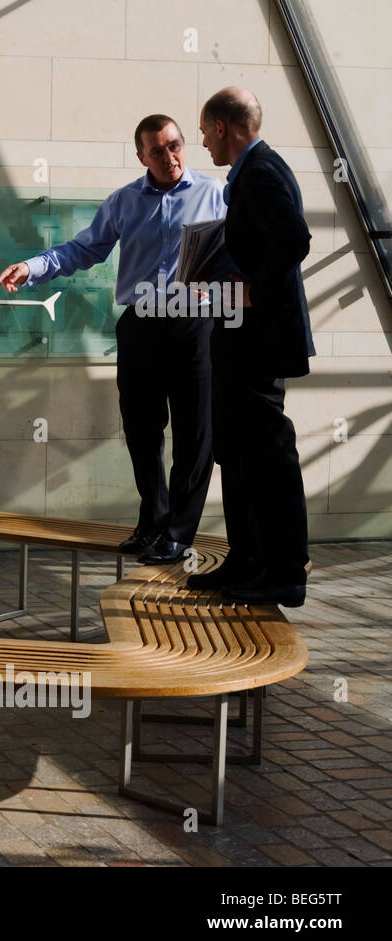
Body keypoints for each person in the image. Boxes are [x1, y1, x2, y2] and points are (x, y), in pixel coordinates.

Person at [0, 115, 225, 564]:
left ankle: (179, 533)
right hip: (141, 324)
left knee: (195, 434)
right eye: (156, 151)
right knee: (142, 430)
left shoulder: (215, 194)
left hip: (195, 325)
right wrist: (32, 267)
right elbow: (82, 248)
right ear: (141, 156)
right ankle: (153, 521)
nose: (169, 156)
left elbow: (247, 248)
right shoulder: (124, 201)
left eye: (175, 145)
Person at [189, 87, 314, 606]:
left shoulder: (260, 172)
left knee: (267, 453)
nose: (202, 142)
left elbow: (294, 239)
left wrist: (250, 294)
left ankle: (284, 571)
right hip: (242, 337)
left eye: (202, 131)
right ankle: (246, 560)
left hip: (258, 340)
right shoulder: (251, 174)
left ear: (222, 126)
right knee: (237, 451)